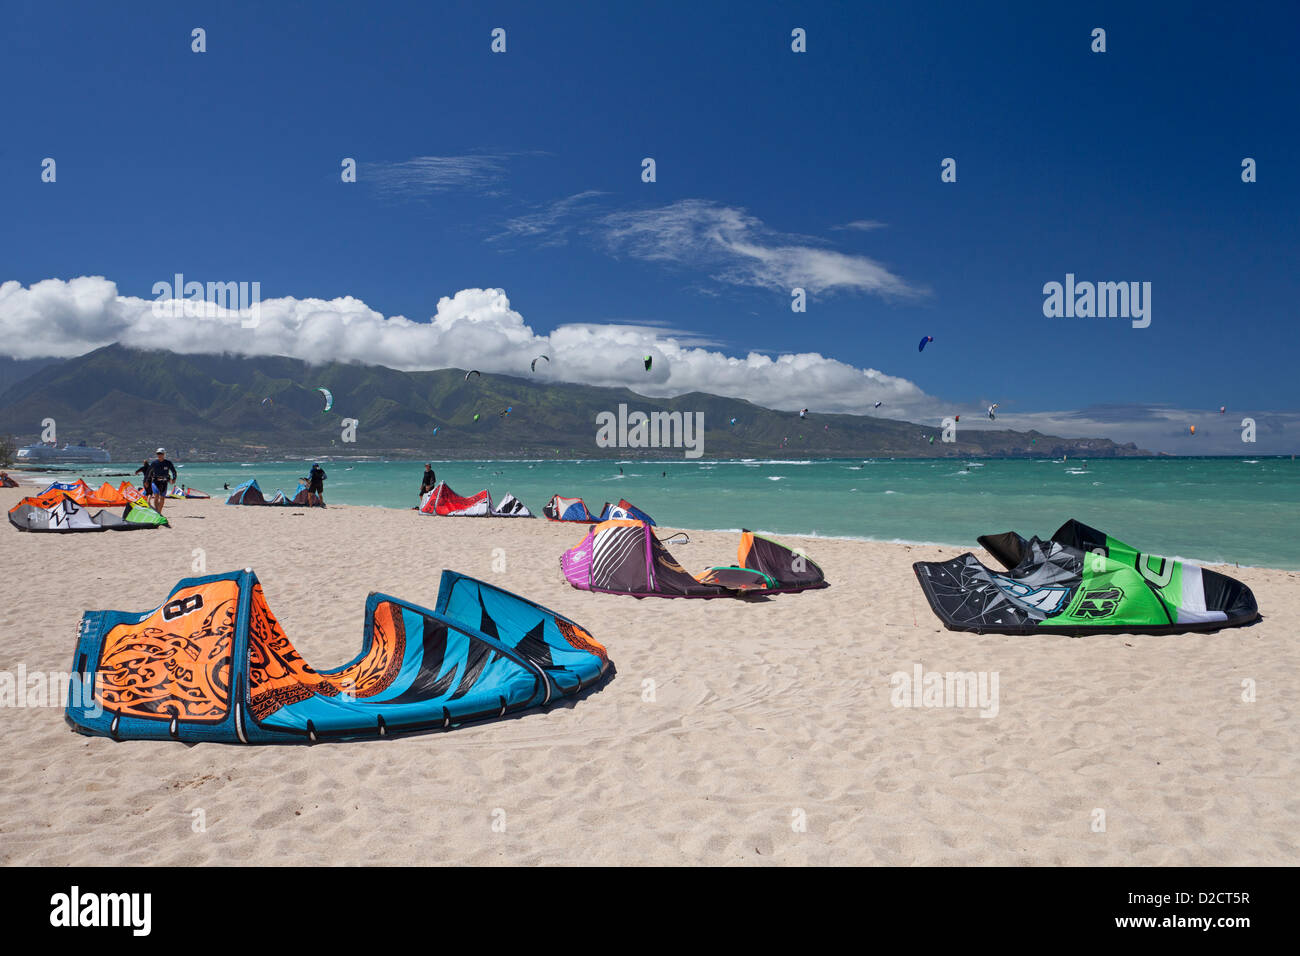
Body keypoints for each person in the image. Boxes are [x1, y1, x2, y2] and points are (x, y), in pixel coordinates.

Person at [147, 448, 177, 513]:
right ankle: (157, 512)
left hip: (164, 482)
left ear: (164, 454)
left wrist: (174, 478)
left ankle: (159, 512)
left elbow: (174, 471)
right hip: (155, 481)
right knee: (156, 496)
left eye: (161, 454)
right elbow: (148, 472)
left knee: (162, 498)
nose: (159, 455)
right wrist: (147, 480)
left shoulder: (168, 463)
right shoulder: (154, 463)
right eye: (158, 454)